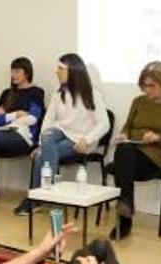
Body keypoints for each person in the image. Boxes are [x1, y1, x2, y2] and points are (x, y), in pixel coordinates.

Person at [14, 53, 111, 216]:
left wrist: (87, 139)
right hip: (62, 134)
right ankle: (46, 194)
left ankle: (38, 197)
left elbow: (104, 124)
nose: (56, 71)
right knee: (47, 136)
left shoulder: (92, 94)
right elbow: (48, 120)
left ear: (73, 71)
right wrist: (40, 145)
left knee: (40, 157)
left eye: (60, 68)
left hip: (81, 140)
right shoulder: (59, 94)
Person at [110, 61, 161, 239]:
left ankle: (124, 215)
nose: (147, 90)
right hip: (131, 153)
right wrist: (124, 135)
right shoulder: (138, 102)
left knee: (122, 158)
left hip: (155, 158)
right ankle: (126, 209)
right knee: (124, 150)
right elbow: (127, 126)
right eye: (144, 86)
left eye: (152, 86)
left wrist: (159, 138)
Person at [0, 57, 46, 208]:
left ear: (27, 73)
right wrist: (17, 114)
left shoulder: (36, 92)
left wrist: (8, 117)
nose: (13, 75)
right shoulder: (7, 94)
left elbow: (33, 118)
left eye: (17, 71)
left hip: (23, 138)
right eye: (12, 71)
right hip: (3, 135)